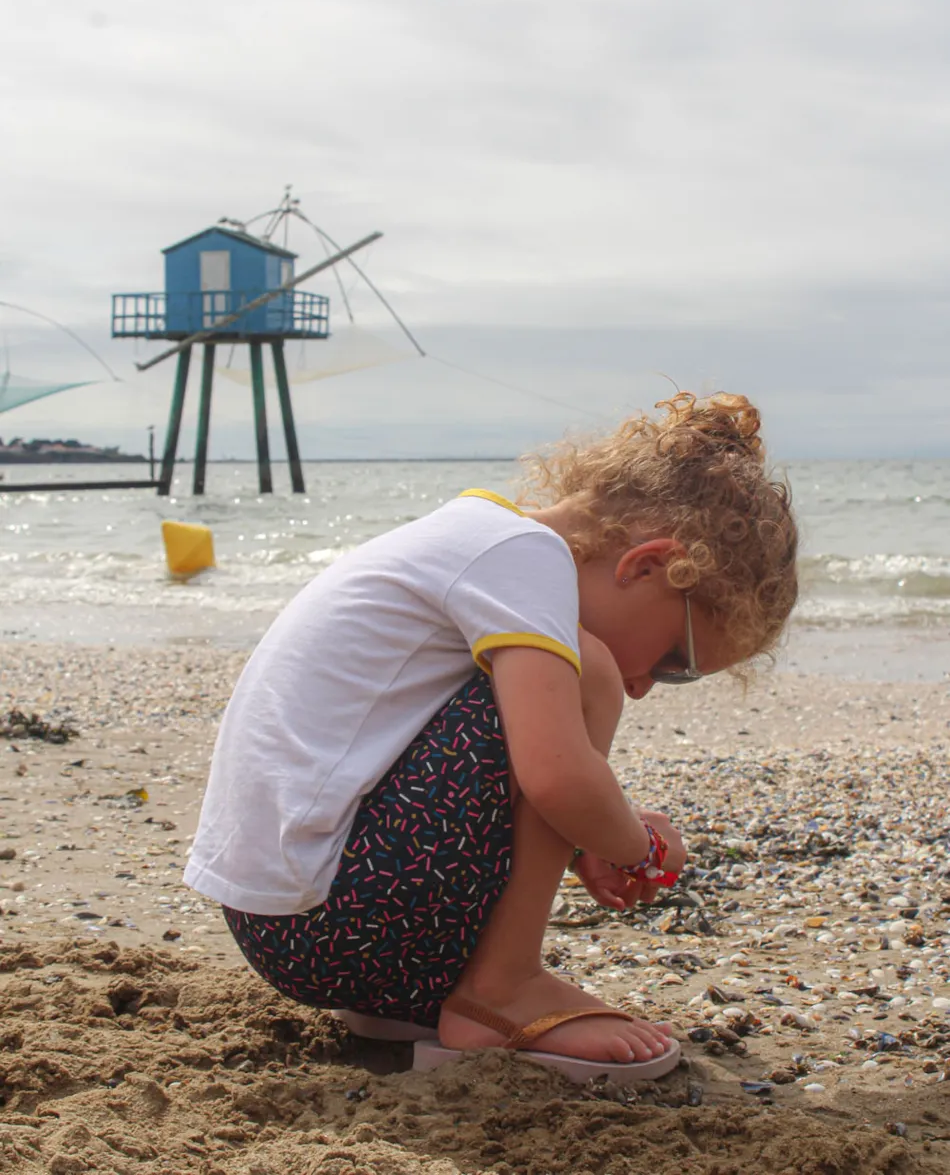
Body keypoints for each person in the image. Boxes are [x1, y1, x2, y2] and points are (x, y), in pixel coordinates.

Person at [184, 391, 798, 1085]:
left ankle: (432, 997)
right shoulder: (524, 555)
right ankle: (501, 986)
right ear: (647, 565)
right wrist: (638, 847)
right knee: (587, 669)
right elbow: (557, 776)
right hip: (334, 918)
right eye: (674, 662)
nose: (645, 687)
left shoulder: (480, 536)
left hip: (293, 922)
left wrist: (593, 830)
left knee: (561, 691)